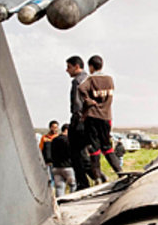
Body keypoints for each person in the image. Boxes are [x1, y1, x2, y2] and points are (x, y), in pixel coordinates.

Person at [78, 55, 124, 180]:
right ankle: (119, 171)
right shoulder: (109, 79)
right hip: (106, 116)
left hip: (93, 116)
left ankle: (97, 177)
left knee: (94, 148)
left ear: (91, 67)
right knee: (107, 146)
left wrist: (88, 100)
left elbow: (81, 88)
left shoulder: (91, 79)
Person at [65, 56, 92, 191]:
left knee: (75, 153)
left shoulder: (77, 81)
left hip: (80, 120)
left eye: (69, 67)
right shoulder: (90, 79)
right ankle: (95, 175)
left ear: (76, 66)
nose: (67, 70)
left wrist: (77, 119)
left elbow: (77, 103)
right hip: (90, 119)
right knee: (84, 152)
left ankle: (83, 183)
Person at [46, 124, 76, 197]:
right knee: (73, 185)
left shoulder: (54, 140)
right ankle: (73, 200)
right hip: (68, 167)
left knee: (59, 187)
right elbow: (71, 153)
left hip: (56, 167)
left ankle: (60, 201)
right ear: (67, 130)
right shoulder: (68, 140)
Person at [39, 120, 60, 186]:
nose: (55, 129)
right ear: (50, 127)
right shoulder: (44, 138)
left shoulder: (58, 138)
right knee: (48, 179)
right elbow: (40, 149)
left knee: (55, 178)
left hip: (56, 162)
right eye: (54, 127)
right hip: (46, 162)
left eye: (56, 127)